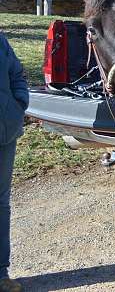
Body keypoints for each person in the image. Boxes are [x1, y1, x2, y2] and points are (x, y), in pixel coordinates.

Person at [0, 33, 28, 292]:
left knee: (0, 204)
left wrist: (18, 104)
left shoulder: (0, 41)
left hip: (4, 131)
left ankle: (0, 274)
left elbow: (17, 74)